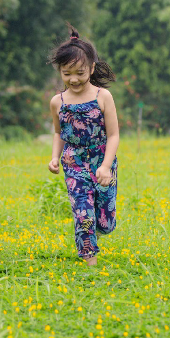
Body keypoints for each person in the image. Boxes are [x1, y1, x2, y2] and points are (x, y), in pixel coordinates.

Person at [47, 26, 119, 267]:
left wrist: (107, 166)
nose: (74, 79)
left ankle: (98, 233)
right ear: (60, 72)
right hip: (73, 161)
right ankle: (91, 264)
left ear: (91, 68)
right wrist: (55, 157)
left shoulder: (102, 97)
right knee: (82, 213)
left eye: (79, 72)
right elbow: (59, 133)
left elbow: (114, 134)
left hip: (102, 158)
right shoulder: (57, 101)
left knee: (105, 222)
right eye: (67, 74)